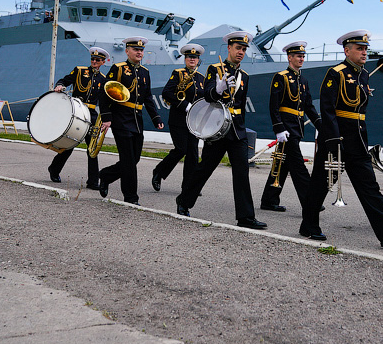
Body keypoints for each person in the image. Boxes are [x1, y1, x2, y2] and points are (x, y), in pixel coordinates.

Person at [300, 30, 383, 247]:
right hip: (336, 138)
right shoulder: (336, 73)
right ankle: (308, 225)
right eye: (359, 49)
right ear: (347, 50)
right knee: (322, 184)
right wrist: (333, 140)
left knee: (369, 186)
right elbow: (328, 109)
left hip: (358, 138)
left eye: (365, 49)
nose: (364, 52)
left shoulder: (362, 74)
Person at [175, 30, 267, 230]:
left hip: (237, 130)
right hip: (218, 129)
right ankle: (184, 200)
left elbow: (241, 106)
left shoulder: (245, 76)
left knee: (242, 173)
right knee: (204, 169)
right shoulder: (214, 69)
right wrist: (217, 89)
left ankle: (245, 217)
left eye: (244, 49)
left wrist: (242, 128)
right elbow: (206, 96)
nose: (241, 52)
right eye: (238, 48)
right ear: (229, 48)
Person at [97, 37, 164, 203]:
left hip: (137, 120)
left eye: (141, 50)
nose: (139, 52)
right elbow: (105, 92)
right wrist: (106, 117)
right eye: (135, 49)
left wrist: (156, 118)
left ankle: (105, 175)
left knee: (135, 159)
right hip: (120, 118)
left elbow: (148, 98)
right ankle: (131, 197)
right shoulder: (118, 69)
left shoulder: (145, 72)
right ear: (127, 51)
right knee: (128, 160)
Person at [258, 41, 320, 213]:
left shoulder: (303, 80)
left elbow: (308, 107)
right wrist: (278, 128)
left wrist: (320, 125)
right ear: (290, 57)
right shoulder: (281, 77)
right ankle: (310, 202)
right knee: (298, 166)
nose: (301, 59)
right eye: (298, 56)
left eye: (303, 56)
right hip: (286, 128)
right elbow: (274, 105)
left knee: (282, 163)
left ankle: (269, 200)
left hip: (296, 126)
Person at [47, 46, 109, 188]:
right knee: (70, 144)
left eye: (97, 60)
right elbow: (64, 80)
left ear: (103, 62)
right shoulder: (80, 71)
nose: (94, 61)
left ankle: (93, 181)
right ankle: (54, 169)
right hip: (76, 112)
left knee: (92, 148)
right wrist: (59, 86)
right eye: (93, 59)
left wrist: (106, 119)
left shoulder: (103, 79)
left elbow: (104, 102)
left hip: (91, 116)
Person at [151, 43, 205, 193]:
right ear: (185, 59)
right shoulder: (178, 73)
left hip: (194, 121)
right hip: (178, 119)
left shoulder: (201, 78)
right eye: (189, 57)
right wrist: (185, 105)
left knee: (193, 154)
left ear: (198, 59)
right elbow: (167, 93)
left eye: (194, 57)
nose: (192, 59)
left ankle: (188, 186)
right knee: (181, 149)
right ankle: (159, 172)